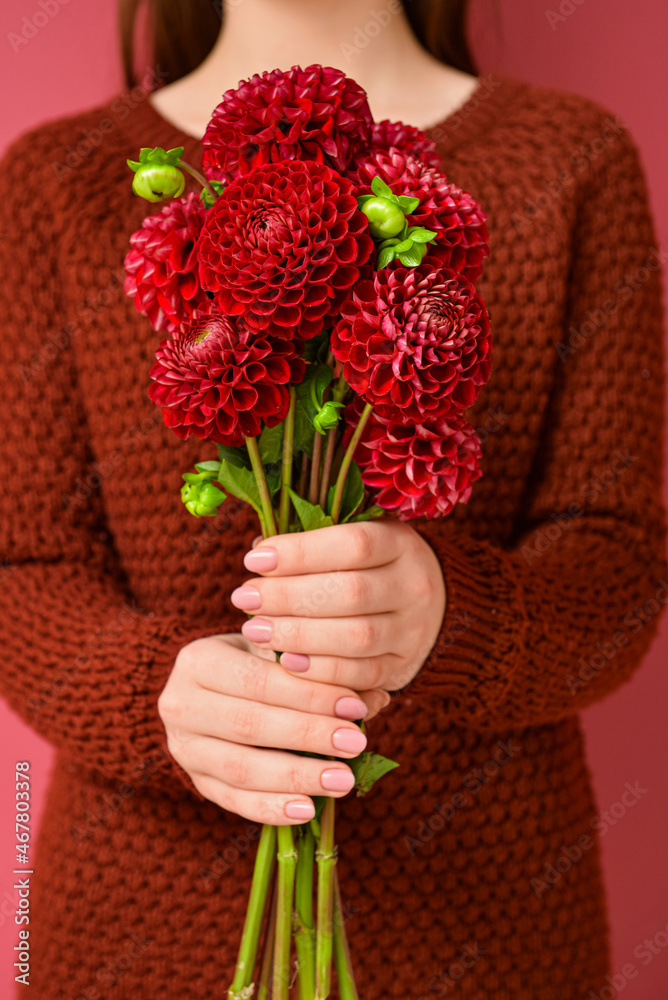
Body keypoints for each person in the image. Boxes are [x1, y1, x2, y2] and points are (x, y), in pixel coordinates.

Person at [0, 1, 665, 997]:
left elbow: (616, 566)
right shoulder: (56, 181)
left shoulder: (569, 160)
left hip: (491, 935)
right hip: (137, 934)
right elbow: (21, 569)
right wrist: (152, 697)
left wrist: (452, 613)